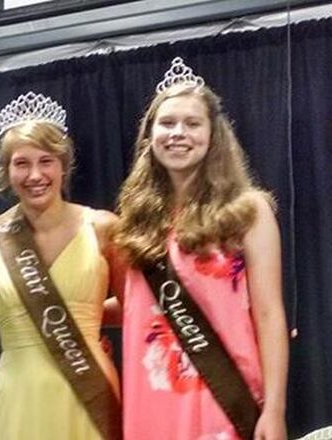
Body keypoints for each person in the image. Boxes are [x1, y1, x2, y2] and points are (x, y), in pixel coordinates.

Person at [113, 57, 288, 440]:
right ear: (150, 135)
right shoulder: (135, 218)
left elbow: (270, 313)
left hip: (225, 394)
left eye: (192, 124)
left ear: (213, 136)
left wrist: (275, 409)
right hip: (153, 397)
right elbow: (132, 308)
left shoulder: (248, 210)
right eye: (167, 123)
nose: (179, 133)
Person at [0, 92, 123, 440]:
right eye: (21, 163)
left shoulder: (103, 227)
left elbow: (134, 307)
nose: (35, 174)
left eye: (46, 161)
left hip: (86, 387)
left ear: (63, 165)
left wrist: (82, 319)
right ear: (6, 170)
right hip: (18, 394)